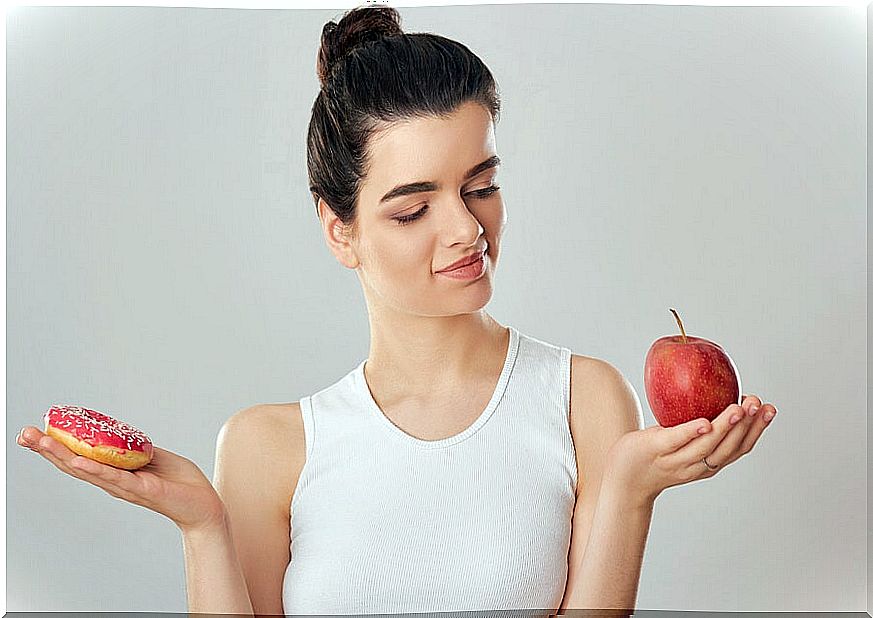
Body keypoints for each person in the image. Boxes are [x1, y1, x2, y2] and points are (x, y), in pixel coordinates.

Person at [16, 5, 779, 616]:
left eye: (480, 185)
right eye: (413, 208)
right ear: (338, 229)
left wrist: (628, 491)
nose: (467, 229)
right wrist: (201, 526)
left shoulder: (583, 396)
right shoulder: (265, 446)